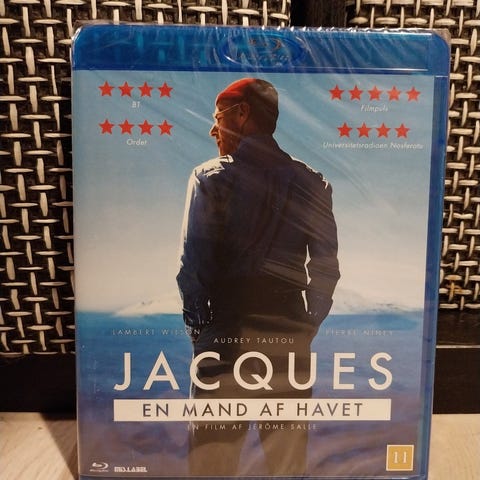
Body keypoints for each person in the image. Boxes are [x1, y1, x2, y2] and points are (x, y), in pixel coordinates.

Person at [177, 78, 340, 476]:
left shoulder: (210, 178)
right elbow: (325, 266)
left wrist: (204, 332)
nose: (213, 129)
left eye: (218, 117)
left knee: (212, 462)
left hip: (226, 329)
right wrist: (305, 325)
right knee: (287, 462)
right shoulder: (313, 182)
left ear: (242, 114)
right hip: (289, 333)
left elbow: (193, 267)